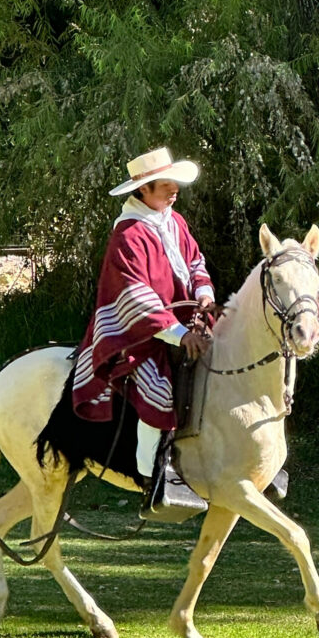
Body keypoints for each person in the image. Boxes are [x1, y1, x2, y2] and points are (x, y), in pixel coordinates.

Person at [72, 147, 214, 496]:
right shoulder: (128, 235)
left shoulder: (174, 221)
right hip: (137, 336)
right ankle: (152, 475)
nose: (173, 189)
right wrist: (180, 335)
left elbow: (195, 263)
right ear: (142, 191)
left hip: (183, 324)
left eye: (173, 183)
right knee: (160, 390)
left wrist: (206, 294)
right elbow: (136, 297)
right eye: (164, 184)